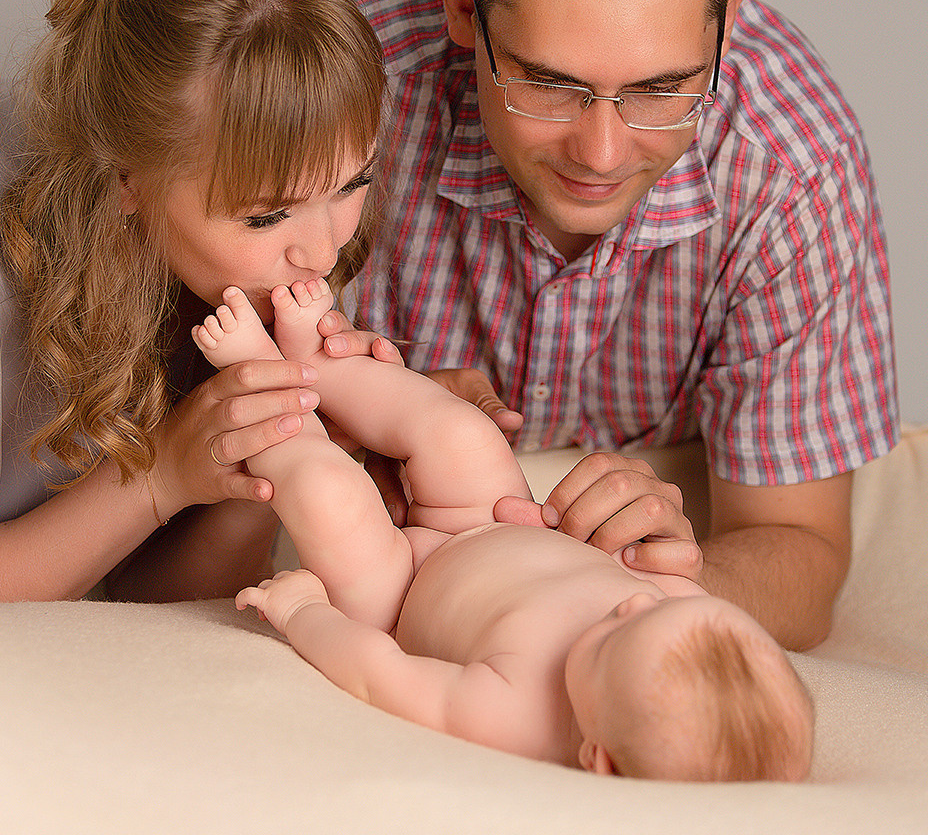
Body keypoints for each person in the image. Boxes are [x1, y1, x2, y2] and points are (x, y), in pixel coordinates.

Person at [342, 0, 899, 651]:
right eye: (548, 83)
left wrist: (672, 575)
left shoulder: (794, 166)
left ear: (727, 27)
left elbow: (801, 555)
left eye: (660, 90)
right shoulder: (345, 98)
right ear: (462, 10)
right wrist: (349, 423)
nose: (601, 154)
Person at [0, 0, 388, 602]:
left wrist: (282, 451)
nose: (321, 253)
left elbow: (160, 598)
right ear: (127, 177)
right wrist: (161, 473)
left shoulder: (276, 235)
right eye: (265, 216)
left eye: (354, 184)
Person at [202, 281, 813, 780]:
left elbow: (378, 673)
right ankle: (318, 366)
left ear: (596, 758)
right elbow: (659, 569)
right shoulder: (668, 612)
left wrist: (303, 612)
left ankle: (265, 384)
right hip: (490, 517)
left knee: (328, 494)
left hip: (398, 591)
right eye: (660, 607)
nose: (632, 603)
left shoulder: (514, 716)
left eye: (613, 638)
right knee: (463, 433)